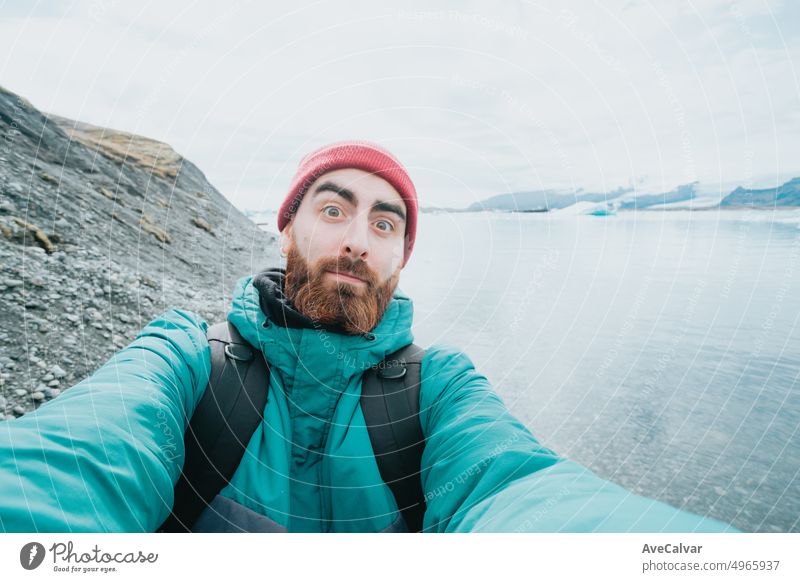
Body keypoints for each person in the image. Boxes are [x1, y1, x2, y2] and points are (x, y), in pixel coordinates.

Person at [0, 141, 739, 533]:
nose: (358, 239)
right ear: (286, 225)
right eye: (334, 209)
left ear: (401, 257)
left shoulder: (439, 388)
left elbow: (516, 490)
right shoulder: (186, 357)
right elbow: (75, 461)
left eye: (385, 224)